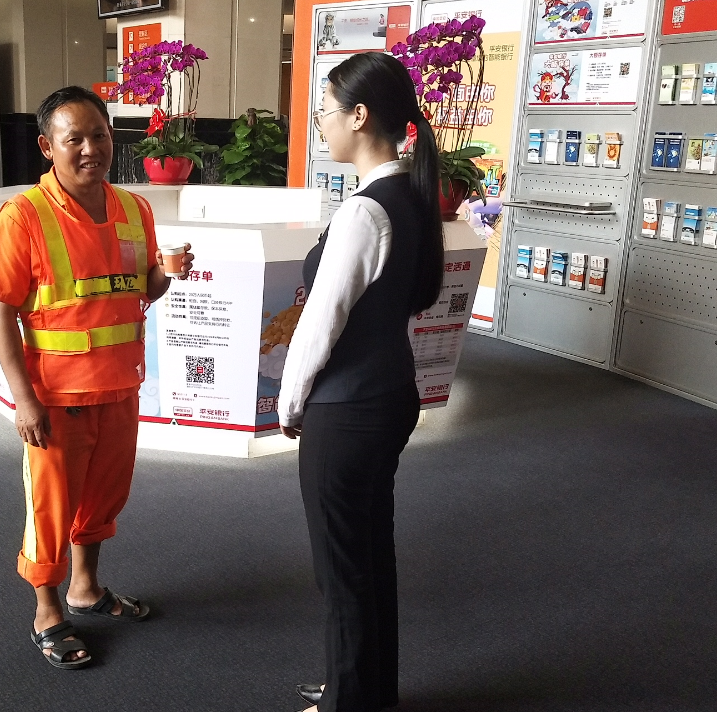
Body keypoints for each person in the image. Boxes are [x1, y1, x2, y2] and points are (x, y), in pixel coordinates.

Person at [0, 86, 193, 670]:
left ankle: (86, 588)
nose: (91, 148)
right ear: (48, 147)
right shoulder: (25, 217)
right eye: (75, 139)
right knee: (51, 506)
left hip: (119, 386)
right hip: (55, 397)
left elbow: (141, 290)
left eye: (100, 135)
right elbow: (1, 310)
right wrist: (23, 400)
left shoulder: (134, 210)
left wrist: (169, 274)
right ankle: (47, 611)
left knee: (104, 496)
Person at [278, 52, 444, 712]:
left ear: (360, 116)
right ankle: (369, 689)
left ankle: (349, 700)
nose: (320, 122)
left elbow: (321, 323)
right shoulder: (411, 195)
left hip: (346, 411)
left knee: (341, 567)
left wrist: (290, 404)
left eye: (325, 110)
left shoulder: (364, 212)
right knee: (370, 553)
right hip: (389, 396)